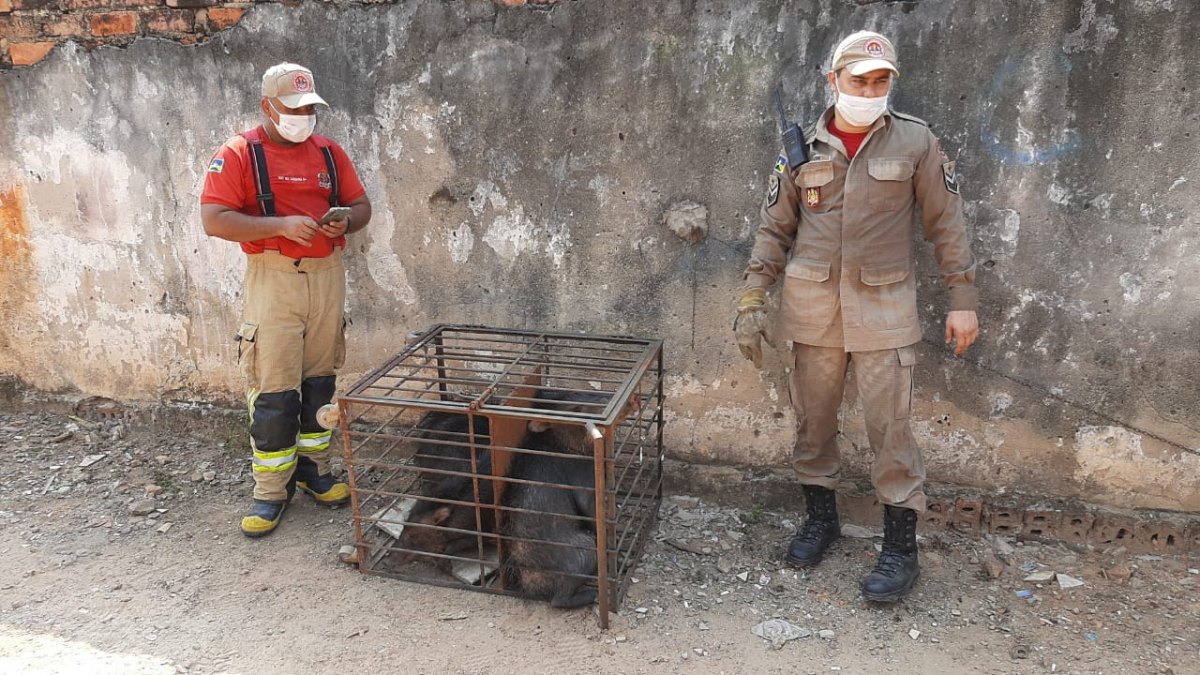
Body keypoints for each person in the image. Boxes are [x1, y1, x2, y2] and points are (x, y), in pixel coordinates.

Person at [735, 31, 979, 601]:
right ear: (833, 81)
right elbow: (775, 229)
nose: (870, 90)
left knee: (890, 431)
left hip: (885, 309)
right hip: (813, 310)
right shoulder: (801, 149)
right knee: (813, 423)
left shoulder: (915, 142)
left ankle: (899, 549)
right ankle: (821, 521)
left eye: (880, 81)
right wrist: (752, 296)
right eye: (859, 80)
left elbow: (947, 223)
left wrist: (963, 300)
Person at [201, 63, 372, 538]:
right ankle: (271, 489)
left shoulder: (329, 153)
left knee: (320, 381)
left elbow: (361, 206)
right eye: (293, 110)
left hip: (327, 277)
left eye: (309, 109)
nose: (303, 117)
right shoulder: (239, 153)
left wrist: (346, 223)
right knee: (274, 386)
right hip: (274, 278)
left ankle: (315, 470)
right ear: (268, 107)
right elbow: (214, 219)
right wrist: (277, 225)